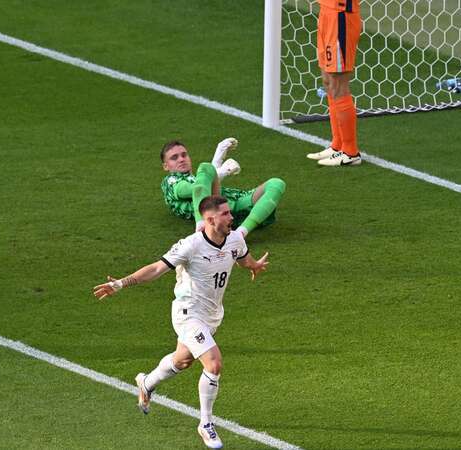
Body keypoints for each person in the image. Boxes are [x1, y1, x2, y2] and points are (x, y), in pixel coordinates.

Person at [93, 195, 270, 449]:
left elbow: (242, 258)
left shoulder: (235, 239)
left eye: (230, 213)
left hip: (212, 315)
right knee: (214, 363)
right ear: (210, 219)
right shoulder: (191, 245)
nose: (232, 217)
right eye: (226, 214)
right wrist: (121, 283)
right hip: (188, 314)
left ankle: (147, 383)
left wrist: (254, 266)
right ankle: (206, 423)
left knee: (182, 360)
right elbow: (156, 269)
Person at [161, 138, 286, 238]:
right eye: (174, 157)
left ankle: (241, 233)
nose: (181, 159)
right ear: (166, 166)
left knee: (277, 183)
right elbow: (195, 189)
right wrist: (222, 172)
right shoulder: (171, 181)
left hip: (238, 201)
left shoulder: (195, 178)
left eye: (184, 155)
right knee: (205, 167)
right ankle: (201, 227)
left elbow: (206, 183)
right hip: (221, 210)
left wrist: (218, 156)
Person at [306, 0, 363, 166]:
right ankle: (337, 146)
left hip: (341, 14)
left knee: (338, 83)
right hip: (327, 11)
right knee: (328, 81)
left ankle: (351, 152)